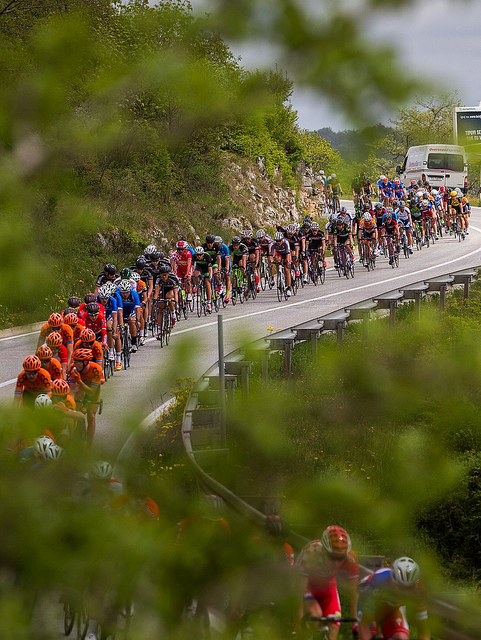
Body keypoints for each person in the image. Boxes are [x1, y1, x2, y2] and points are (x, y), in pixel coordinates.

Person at [296, 526, 358, 640]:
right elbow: (298, 591)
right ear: (324, 550)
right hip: (308, 588)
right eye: (333, 557)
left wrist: (355, 625)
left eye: (340, 558)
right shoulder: (310, 552)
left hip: (328, 589)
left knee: (334, 626)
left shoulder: (351, 558)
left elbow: (353, 593)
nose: (336, 563)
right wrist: (299, 621)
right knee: (315, 614)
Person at [358, 557, 430, 640]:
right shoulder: (378, 585)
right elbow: (364, 624)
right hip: (370, 601)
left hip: (394, 607)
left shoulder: (419, 592)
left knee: (401, 637)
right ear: (392, 580)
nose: (404, 592)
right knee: (371, 635)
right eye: (400, 587)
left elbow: (424, 631)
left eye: (408, 588)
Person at [67, 348, 102, 445]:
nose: (75, 364)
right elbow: (72, 390)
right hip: (80, 388)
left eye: (77, 362)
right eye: (74, 361)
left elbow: (91, 393)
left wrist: (80, 381)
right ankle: (79, 433)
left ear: (85, 362)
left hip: (92, 389)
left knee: (91, 415)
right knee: (78, 411)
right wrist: (71, 403)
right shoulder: (72, 368)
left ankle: (89, 444)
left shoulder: (96, 369)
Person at [153, 264, 179, 336]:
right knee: (160, 308)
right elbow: (157, 292)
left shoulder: (173, 278)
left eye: (165, 275)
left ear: (168, 274)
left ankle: (173, 315)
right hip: (163, 289)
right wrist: (155, 300)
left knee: (169, 297)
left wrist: (176, 302)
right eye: (162, 275)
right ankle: (159, 330)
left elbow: (175, 293)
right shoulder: (158, 279)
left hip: (171, 289)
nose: (164, 277)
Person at [116, 279, 141, 353]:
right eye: (123, 293)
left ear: (129, 291)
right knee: (118, 325)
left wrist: (137, 320)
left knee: (132, 321)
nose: (125, 295)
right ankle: (120, 341)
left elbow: (138, 308)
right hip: (121, 310)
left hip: (131, 309)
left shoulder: (134, 294)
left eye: (126, 292)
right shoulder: (117, 294)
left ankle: (134, 342)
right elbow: (118, 311)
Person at [269, 231, 292, 296]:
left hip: (286, 254)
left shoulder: (286, 242)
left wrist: (287, 262)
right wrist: (271, 262)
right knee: (276, 259)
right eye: (277, 241)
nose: (278, 242)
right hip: (279, 254)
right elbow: (270, 255)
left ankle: (289, 287)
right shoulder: (273, 244)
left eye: (279, 240)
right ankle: (279, 271)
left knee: (287, 270)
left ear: (282, 239)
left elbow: (288, 254)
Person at [192, 246, 214, 312]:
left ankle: (209, 302)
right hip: (199, 268)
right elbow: (192, 267)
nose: (199, 256)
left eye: (200, 255)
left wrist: (210, 277)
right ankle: (196, 286)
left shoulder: (207, 257)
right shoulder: (193, 257)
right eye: (197, 255)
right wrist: (192, 275)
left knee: (207, 283)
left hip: (207, 269)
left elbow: (210, 269)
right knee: (195, 274)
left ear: (203, 254)